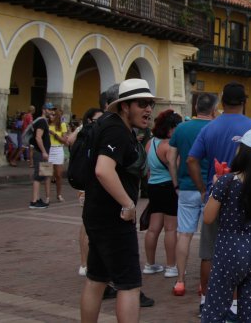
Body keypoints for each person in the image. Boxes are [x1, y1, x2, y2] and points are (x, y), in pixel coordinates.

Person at [79, 79, 156, 323]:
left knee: (97, 278)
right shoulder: (117, 130)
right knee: (129, 284)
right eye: (142, 103)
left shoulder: (107, 125)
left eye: (150, 104)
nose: (148, 109)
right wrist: (128, 203)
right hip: (113, 218)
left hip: (97, 213)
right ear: (124, 106)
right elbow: (103, 170)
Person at [187, 83, 251, 313]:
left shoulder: (209, 128)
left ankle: (205, 300)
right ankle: (237, 304)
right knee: (241, 248)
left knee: (209, 252)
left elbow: (191, 160)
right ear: (244, 102)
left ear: (222, 102)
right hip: (246, 197)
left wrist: (202, 188)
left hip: (215, 195)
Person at [200, 128, 251, 323]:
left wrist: (214, 187)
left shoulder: (227, 181)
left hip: (229, 251)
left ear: (246, 152)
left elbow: (208, 218)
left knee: (215, 309)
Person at [168, 93, 217, 298]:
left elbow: (172, 159)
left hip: (187, 186)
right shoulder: (215, 128)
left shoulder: (181, 128)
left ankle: (180, 281)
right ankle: (203, 284)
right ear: (214, 109)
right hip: (210, 188)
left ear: (196, 107)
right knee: (210, 238)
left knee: (184, 233)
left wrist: (176, 182)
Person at [143, 109, 182, 278]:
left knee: (153, 229)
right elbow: (176, 168)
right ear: (170, 128)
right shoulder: (168, 147)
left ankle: (150, 264)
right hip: (168, 187)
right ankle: (171, 266)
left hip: (153, 186)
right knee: (171, 229)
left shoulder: (150, 143)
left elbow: (148, 169)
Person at [68, 107, 104, 277]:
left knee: (89, 222)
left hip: (90, 182)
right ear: (89, 120)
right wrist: (83, 128)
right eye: (97, 120)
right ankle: (84, 263)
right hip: (87, 184)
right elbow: (69, 140)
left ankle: (88, 263)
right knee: (87, 223)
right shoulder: (84, 132)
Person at [28, 104, 53, 209]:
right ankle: (34, 201)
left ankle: (39, 199)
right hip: (41, 152)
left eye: (52, 109)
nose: (51, 111)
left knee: (45, 174)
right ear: (44, 110)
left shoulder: (43, 121)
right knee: (38, 176)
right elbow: (38, 137)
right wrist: (44, 152)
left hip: (44, 152)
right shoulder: (42, 121)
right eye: (49, 109)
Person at [49, 107, 70, 203]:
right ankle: (47, 196)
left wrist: (54, 134)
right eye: (50, 114)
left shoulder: (62, 125)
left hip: (57, 150)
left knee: (58, 174)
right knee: (46, 174)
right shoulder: (47, 124)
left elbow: (64, 140)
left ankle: (59, 194)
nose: (51, 116)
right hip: (48, 150)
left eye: (53, 114)